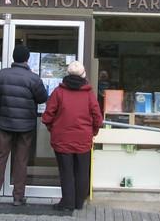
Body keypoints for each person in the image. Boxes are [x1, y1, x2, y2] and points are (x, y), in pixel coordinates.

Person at [0, 44, 48, 206]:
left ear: (14, 58)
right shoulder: (33, 78)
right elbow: (42, 98)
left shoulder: (1, 75)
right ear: (27, 59)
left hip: (4, 124)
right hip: (25, 127)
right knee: (21, 160)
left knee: (0, 157)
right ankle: (18, 197)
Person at [42, 61, 103, 211]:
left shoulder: (59, 92)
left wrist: (53, 129)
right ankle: (78, 203)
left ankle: (67, 202)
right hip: (83, 139)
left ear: (67, 74)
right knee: (82, 171)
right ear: (84, 75)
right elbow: (98, 118)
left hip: (62, 139)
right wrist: (92, 132)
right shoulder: (89, 93)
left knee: (66, 172)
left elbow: (47, 116)